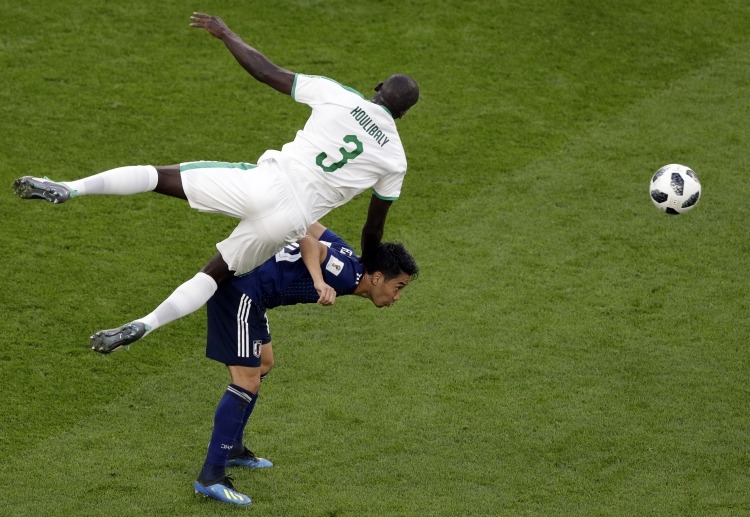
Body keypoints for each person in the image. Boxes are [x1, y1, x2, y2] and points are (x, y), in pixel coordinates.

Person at [11, 11, 420, 353]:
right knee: (214, 275)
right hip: (291, 221)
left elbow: (266, 72)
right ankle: (145, 324)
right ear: (402, 114)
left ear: (378, 89)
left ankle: (71, 187)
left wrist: (226, 34)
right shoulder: (395, 158)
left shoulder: (340, 95)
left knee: (157, 177)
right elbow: (373, 226)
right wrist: (369, 261)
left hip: (264, 182)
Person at [108, 222, 418, 506]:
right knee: (247, 381)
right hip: (241, 292)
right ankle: (211, 476)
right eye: (399, 286)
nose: (397, 296)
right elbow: (309, 243)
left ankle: (233, 448)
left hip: (256, 295)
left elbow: (308, 222)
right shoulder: (346, 273)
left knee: (264, 364)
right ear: (377, 277)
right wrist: (318, 280)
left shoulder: (348, 256)